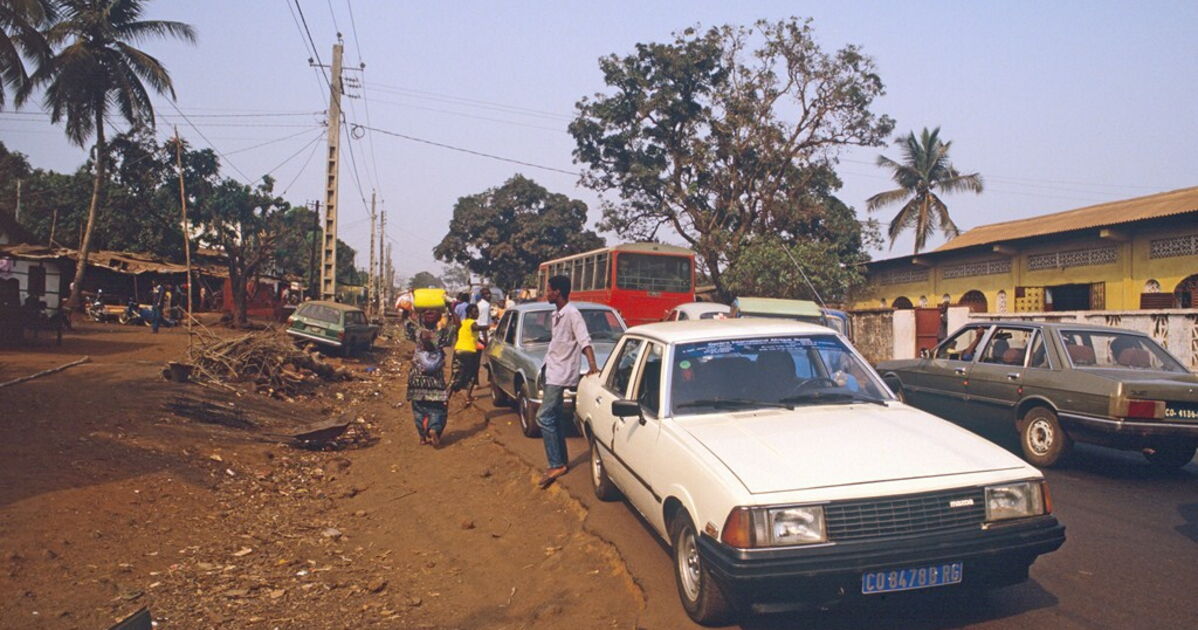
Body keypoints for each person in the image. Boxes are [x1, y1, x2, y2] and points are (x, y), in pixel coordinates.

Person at [535, 275, 598, 489]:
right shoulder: (557, 314)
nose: (546, 293)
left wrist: (592, 366)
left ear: (558, 292)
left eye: (549, 289)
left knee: (543, 416)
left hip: (560, 374)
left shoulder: (572, 314)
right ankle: (560, 462)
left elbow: (584, 340)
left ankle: (555, 463)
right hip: (551, 368)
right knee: (553, 416)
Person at [408, 329, 449, 446]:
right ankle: (434, 429)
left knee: (418, 412)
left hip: (417, 386)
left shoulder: (418, 351)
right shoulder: (439, 350)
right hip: (435, 387)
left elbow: (407, 327)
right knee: (437, 410)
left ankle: (422, 437)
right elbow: (452, 329)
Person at [449, 304, 486, 407]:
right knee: (472, 375)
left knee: (455, 375)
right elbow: (476, 328)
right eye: (475, 312)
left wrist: (482, 342)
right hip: (469, 352)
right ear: (469, 313)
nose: (477, 313)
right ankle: (467, 397)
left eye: (477, 311)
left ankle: (446, 398)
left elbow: (473, 336)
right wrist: (490, 327)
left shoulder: (463, 323)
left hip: (458, 350)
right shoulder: (471, 322)